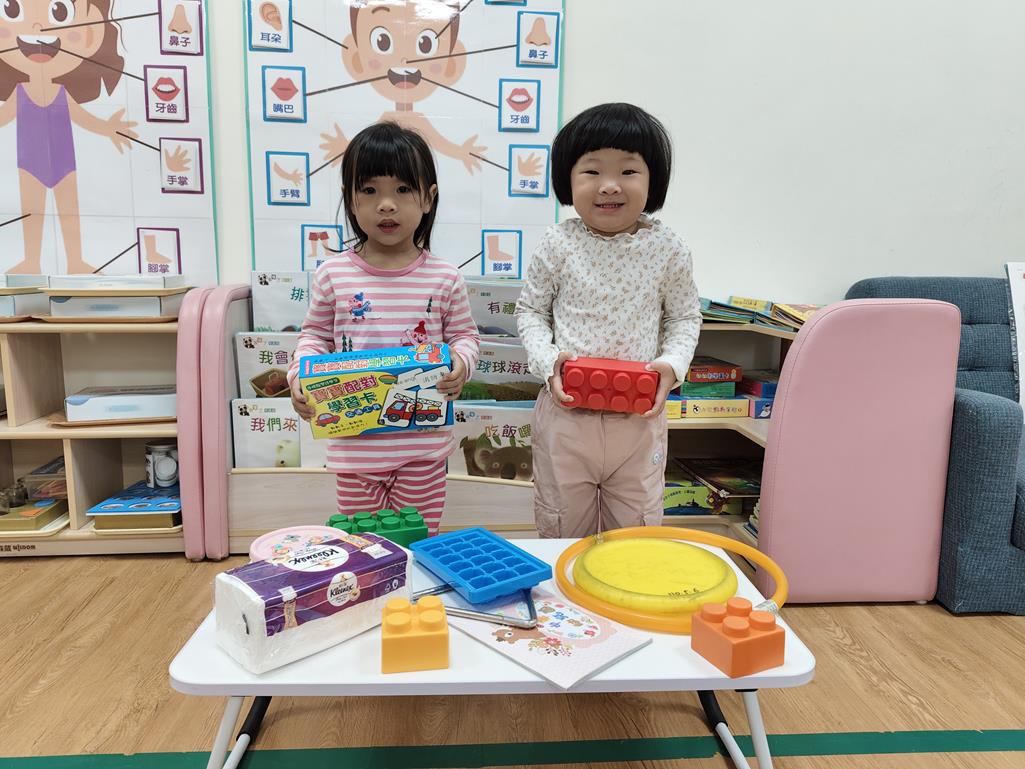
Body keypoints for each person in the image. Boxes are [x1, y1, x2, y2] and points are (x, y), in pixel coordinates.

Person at [515, 102, 701, 538]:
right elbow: (531, 311)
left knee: (635, 533)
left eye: (629, 171)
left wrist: (672, 365)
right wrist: (547, 361)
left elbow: (684, 317)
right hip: (566, 417)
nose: (610, 185)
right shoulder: (557, 243)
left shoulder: (669, 249)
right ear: (568, 179)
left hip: (638, 421)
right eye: (592, 171)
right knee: (562, 529)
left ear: (653, 179)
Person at [289, 122, 480, 534]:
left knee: (417, 537)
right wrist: (300, 376)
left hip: (423, 446)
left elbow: (465, 337)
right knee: (364, 546)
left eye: (403, 189)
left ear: (428, 198)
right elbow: (314, 337)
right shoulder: (333, 275)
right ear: (350, 200)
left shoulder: (445, 277)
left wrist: (461, 363)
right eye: (370, 190)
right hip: (354, 445)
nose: (386, 205)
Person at [0, 0, 138, 274]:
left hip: (65, 165)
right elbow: (3, 116)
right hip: (29, 164)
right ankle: (32, 261)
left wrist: (108, 127)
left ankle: (75, 261)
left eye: (59, 11)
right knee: (33, 213)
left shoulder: (61, 93)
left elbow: (83, 118)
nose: (37, 27)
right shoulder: (20, 92)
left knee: (69, 212)